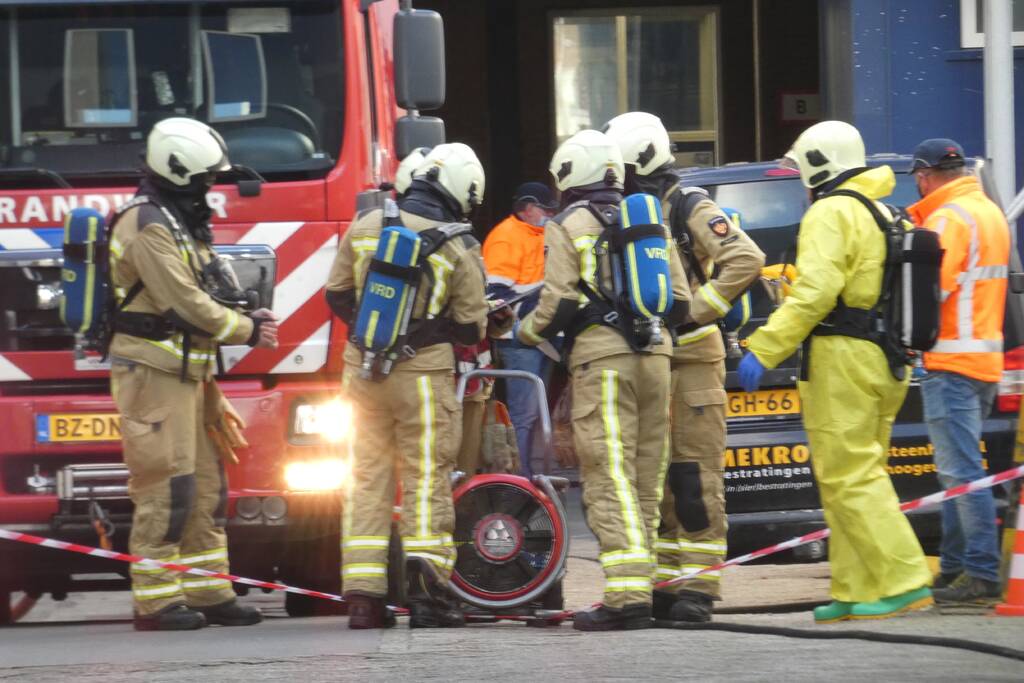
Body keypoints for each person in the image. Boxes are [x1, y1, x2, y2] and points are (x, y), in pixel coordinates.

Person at [738, 120, 933, 623]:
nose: (800, 182)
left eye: (801, 171)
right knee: (851, 475)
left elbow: (816, 291)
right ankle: (855, 587)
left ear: (820, 166)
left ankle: (903, 577)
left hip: (843, 358)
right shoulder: (884, 211)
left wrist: (765, 347)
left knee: (850, 476)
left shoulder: (831, 212)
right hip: (885, 358)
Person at [517, 129, 691, 630]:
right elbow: (679, 301)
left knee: (608, 474)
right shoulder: (649, 217)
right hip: (657, 356)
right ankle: (653, 584)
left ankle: (626, 596)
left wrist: (524, 333)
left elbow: (558, 302)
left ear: (571, 174)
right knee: (646, 475)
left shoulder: (567, 223)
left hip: (603, 362)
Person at [109, 117, 278, 631]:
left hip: (190, 373)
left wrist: (248, 312)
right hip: (154, 372)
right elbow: (182, 304)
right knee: (167, 485)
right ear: (179, 173)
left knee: (206, 486)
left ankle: (208, 590)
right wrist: (247, 330)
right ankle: (156, 601)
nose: (212, 189)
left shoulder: (177, 218)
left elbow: (209, 288)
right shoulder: (146, 224)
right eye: (205, 179)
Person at [326, 142, 499, 629]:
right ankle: (427, 598)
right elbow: (471, 328)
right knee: (426, 480)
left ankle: (363, 597)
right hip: (423, 378)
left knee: (365, 480)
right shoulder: (459, 243)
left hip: (361, 373)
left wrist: (372, 338)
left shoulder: (365, 227)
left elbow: (336, 294)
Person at [603, 111, 765, 622]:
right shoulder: (635, 209)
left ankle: (698, 590)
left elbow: (746, 257)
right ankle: (665, 585)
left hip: (694, 358)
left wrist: (696, 310)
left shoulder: (691, 206)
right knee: (658, 480)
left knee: (694, 477)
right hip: (654, 358)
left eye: (620, 168)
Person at [907, 138, 1010, 604]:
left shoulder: (948, 219)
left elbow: (933, 292)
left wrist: (905, 336)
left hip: (949, 361)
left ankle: (980, 573)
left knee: (962, 472)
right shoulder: (988, 211)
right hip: (984, 359)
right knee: (958, 472)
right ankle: (953, 569)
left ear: (925, 175)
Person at [482, 182, 559, 478]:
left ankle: (532, 477)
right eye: (545, 209)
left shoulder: (542, 235)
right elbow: (498, 296)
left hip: (539, 336)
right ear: (527, 208)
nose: (550, 214)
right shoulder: (506, 238)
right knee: (524, 415)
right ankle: (521, 480)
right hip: (519, 339)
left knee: (535, 412)